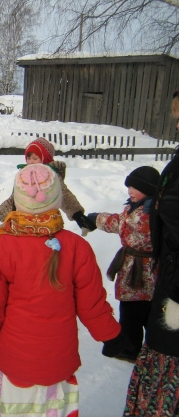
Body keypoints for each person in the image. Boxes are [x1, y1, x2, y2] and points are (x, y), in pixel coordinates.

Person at [0, 164, 130, 417]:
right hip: (58, 362)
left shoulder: (2, 247)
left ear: (18, 201)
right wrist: (111, 336)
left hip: (14, 363)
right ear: (56, 200)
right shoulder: (77, 247)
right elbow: (92, 304)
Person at [123, 92, 179, 416]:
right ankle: (128, 343)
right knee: (130, 312)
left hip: (167, 291)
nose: (177, 122)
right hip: (165, 285)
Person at [86, 166, 160, 363]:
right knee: (132, 312)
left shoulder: (153, 213)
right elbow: (117, 221)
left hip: (144, 270)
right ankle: (132, 348)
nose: (130, 191)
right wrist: (96, 218)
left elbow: (121, 224)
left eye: (135, 187)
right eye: (129, 187)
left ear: (149, 189)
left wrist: (97, 219)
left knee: (140, 313)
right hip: (132, 268)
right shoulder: (135, 208)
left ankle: (136, 350)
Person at [0, 137, 96, 235]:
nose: (31, 162)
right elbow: (14, 200)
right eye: (29, 158)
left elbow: (65, 197)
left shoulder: (51, 177)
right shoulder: (24, 176)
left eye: (35, 158)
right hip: (24, 223)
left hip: (48, 223)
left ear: (45, 158)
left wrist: (78, 216)